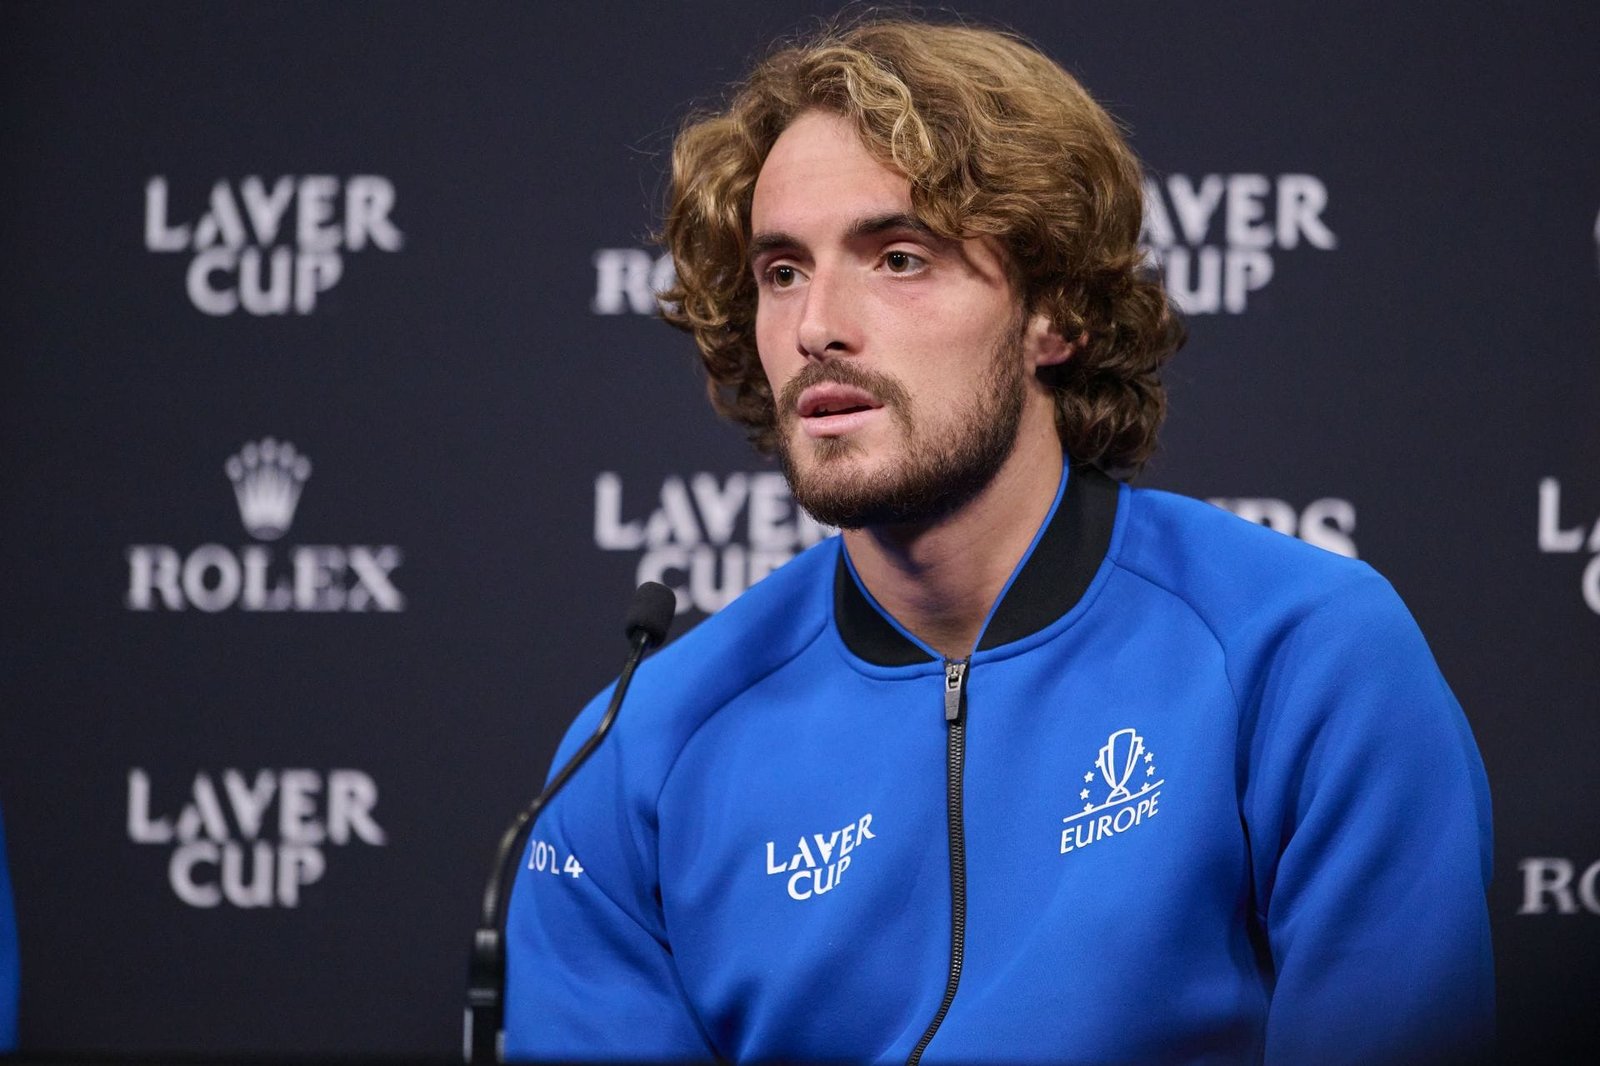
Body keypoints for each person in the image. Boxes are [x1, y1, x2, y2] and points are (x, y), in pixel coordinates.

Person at [505, 17, 1492, 1064]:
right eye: (781, 270)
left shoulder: (1302, 656)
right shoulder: (635, 748)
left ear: (1052, 313)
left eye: (896, 256)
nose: (816, 325)